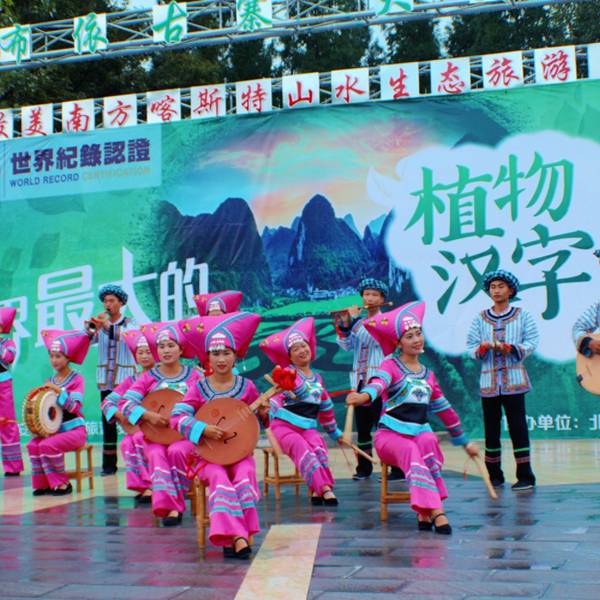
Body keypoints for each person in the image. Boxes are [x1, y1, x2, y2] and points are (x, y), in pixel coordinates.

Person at [346, 302, 479, 534]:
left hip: (418, 433)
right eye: (409, 336)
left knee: (428, 441)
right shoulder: (390, 365)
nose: (417, 340)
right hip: (390, 437)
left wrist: (465, 442)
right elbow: (378, 383)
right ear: (398, 343)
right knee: (411, 450)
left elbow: (445, 410)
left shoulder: (428, 375)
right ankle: (437, 510)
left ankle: (423, 512)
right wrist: (364, 396)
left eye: (418, 333)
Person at [170, 311, 262, 559]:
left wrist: (265, 412)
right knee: (219, 478)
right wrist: (202, 429)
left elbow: (259, 421)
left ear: (235, 355)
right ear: (207, 357)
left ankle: (234, 536)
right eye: (215, 353)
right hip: (207, 456)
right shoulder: (198, 387)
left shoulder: (248, 387)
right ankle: (238, 537)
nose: (221, 359)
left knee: (244, 475)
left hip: (239, 453)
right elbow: (177, 417)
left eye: (226, 353)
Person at [466, 270, 539, 492]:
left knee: (518, 428)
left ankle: (525, 476)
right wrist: (482, 348)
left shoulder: (522, 315)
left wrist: (511, 348)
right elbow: (470, 346)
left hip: (514, 381)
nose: (496, 291)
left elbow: (532, 342)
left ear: (511, 290)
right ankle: (494, 475)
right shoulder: (480, 318)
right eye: (493, 287)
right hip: (489, 382)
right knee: (491, 430)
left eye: (501, 286)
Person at [120, 322, 198, 525]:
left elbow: (205, 405)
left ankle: (175, 505)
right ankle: (170, 507)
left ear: (181, 350)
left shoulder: (194, 376)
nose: (166, 350)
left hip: (185, 437)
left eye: (171, 345)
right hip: (156, 436)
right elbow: (125, 404)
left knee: (177, 451)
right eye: (161, 346)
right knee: (155, 453)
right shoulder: (149, 378)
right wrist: (147, 416)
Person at [260, 317, 343, 506]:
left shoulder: (318, 379)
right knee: (303, 450)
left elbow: (326, 408)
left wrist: (335, 433)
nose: (302, 350)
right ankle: (325, 489)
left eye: (304, 346)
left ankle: (316, 490)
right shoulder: (287, 374)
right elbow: (276, 398)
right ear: (290, 357)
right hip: (284, 428)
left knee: (319, 450)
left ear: (310, 349)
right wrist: (268, 411)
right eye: (296, 349)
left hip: (307, 428)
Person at [336, 277, 402, 480]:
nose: (370, 298)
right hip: (359, 382)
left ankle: (396, 469)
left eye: (375, 295)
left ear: (382, 298)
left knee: (386, 428)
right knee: (363, 429)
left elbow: (371, 339)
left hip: (381, 383)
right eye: (366, 294)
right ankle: (364, 468)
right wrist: (345, 325)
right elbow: (346, 346)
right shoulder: (360, 322)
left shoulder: (386, 321)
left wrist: (355, 322)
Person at [27, 329, 91, 496]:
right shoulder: (50, 380)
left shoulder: (77, 379)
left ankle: (63, 483)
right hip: (56, 432)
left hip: (75, 431)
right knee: (33, 444)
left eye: (58, 356)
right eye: (51, 356)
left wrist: (58, 390)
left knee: (47, 445)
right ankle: (43, 484)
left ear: (68, 358)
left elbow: (75, 407)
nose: (54, 360)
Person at [85, 284, 136, 476]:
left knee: (131, 419)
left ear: (121, 303)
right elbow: (88, 342)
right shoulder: (101, 325)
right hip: (106, 380)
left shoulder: (130, 323)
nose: (107, 304)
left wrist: (106, 326)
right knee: (108, 421)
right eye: (105, 301)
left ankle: (138, 461)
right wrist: (90, 330)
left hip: (125, 381)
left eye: (112, 301)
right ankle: (109, 465)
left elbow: (125, 338)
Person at [100, 329, 154, 503]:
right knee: (126, 442)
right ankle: (143, 486)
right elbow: (107, 402)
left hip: (159, 428)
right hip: (138, 428)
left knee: (138, 438)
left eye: (148, 352)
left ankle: (154, 485)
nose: (144, 356)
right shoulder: (130, 381)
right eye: (140, 352)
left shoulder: (162, 378)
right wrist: (120, 415)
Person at [0, 307, 24, 476]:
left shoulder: (8, 343)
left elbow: (8, 358)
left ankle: (13, 466)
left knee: (7, 424)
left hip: (3, 385)